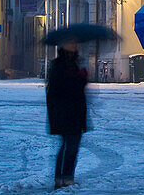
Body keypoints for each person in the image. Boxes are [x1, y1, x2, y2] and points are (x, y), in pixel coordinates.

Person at [46, 42, 88, 189]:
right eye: (72, 44)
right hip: (65, 112)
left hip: (73, 111)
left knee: (71, 146)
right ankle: (63, 177)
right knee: (69, 146)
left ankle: (65, 176)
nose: (75, 46)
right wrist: (79, 79)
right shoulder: (59, 66)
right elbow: (61, 89)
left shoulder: (73, 63)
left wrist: (82, 79)